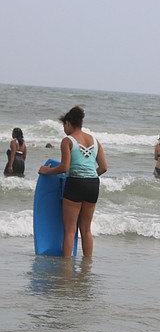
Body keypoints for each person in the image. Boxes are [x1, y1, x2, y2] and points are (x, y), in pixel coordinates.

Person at [38, 106, 108, 257]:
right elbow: (103, 167)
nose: (64, 129)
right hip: (93, 185)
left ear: (68, 123)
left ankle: (66, 268)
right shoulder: (95, 141)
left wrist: (46, 171)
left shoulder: (67, 141)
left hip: (75, 183)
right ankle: (87, 266)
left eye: (64, 125)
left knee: (70, 230)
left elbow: (64, 167)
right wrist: (89, 176)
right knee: (86, 229)